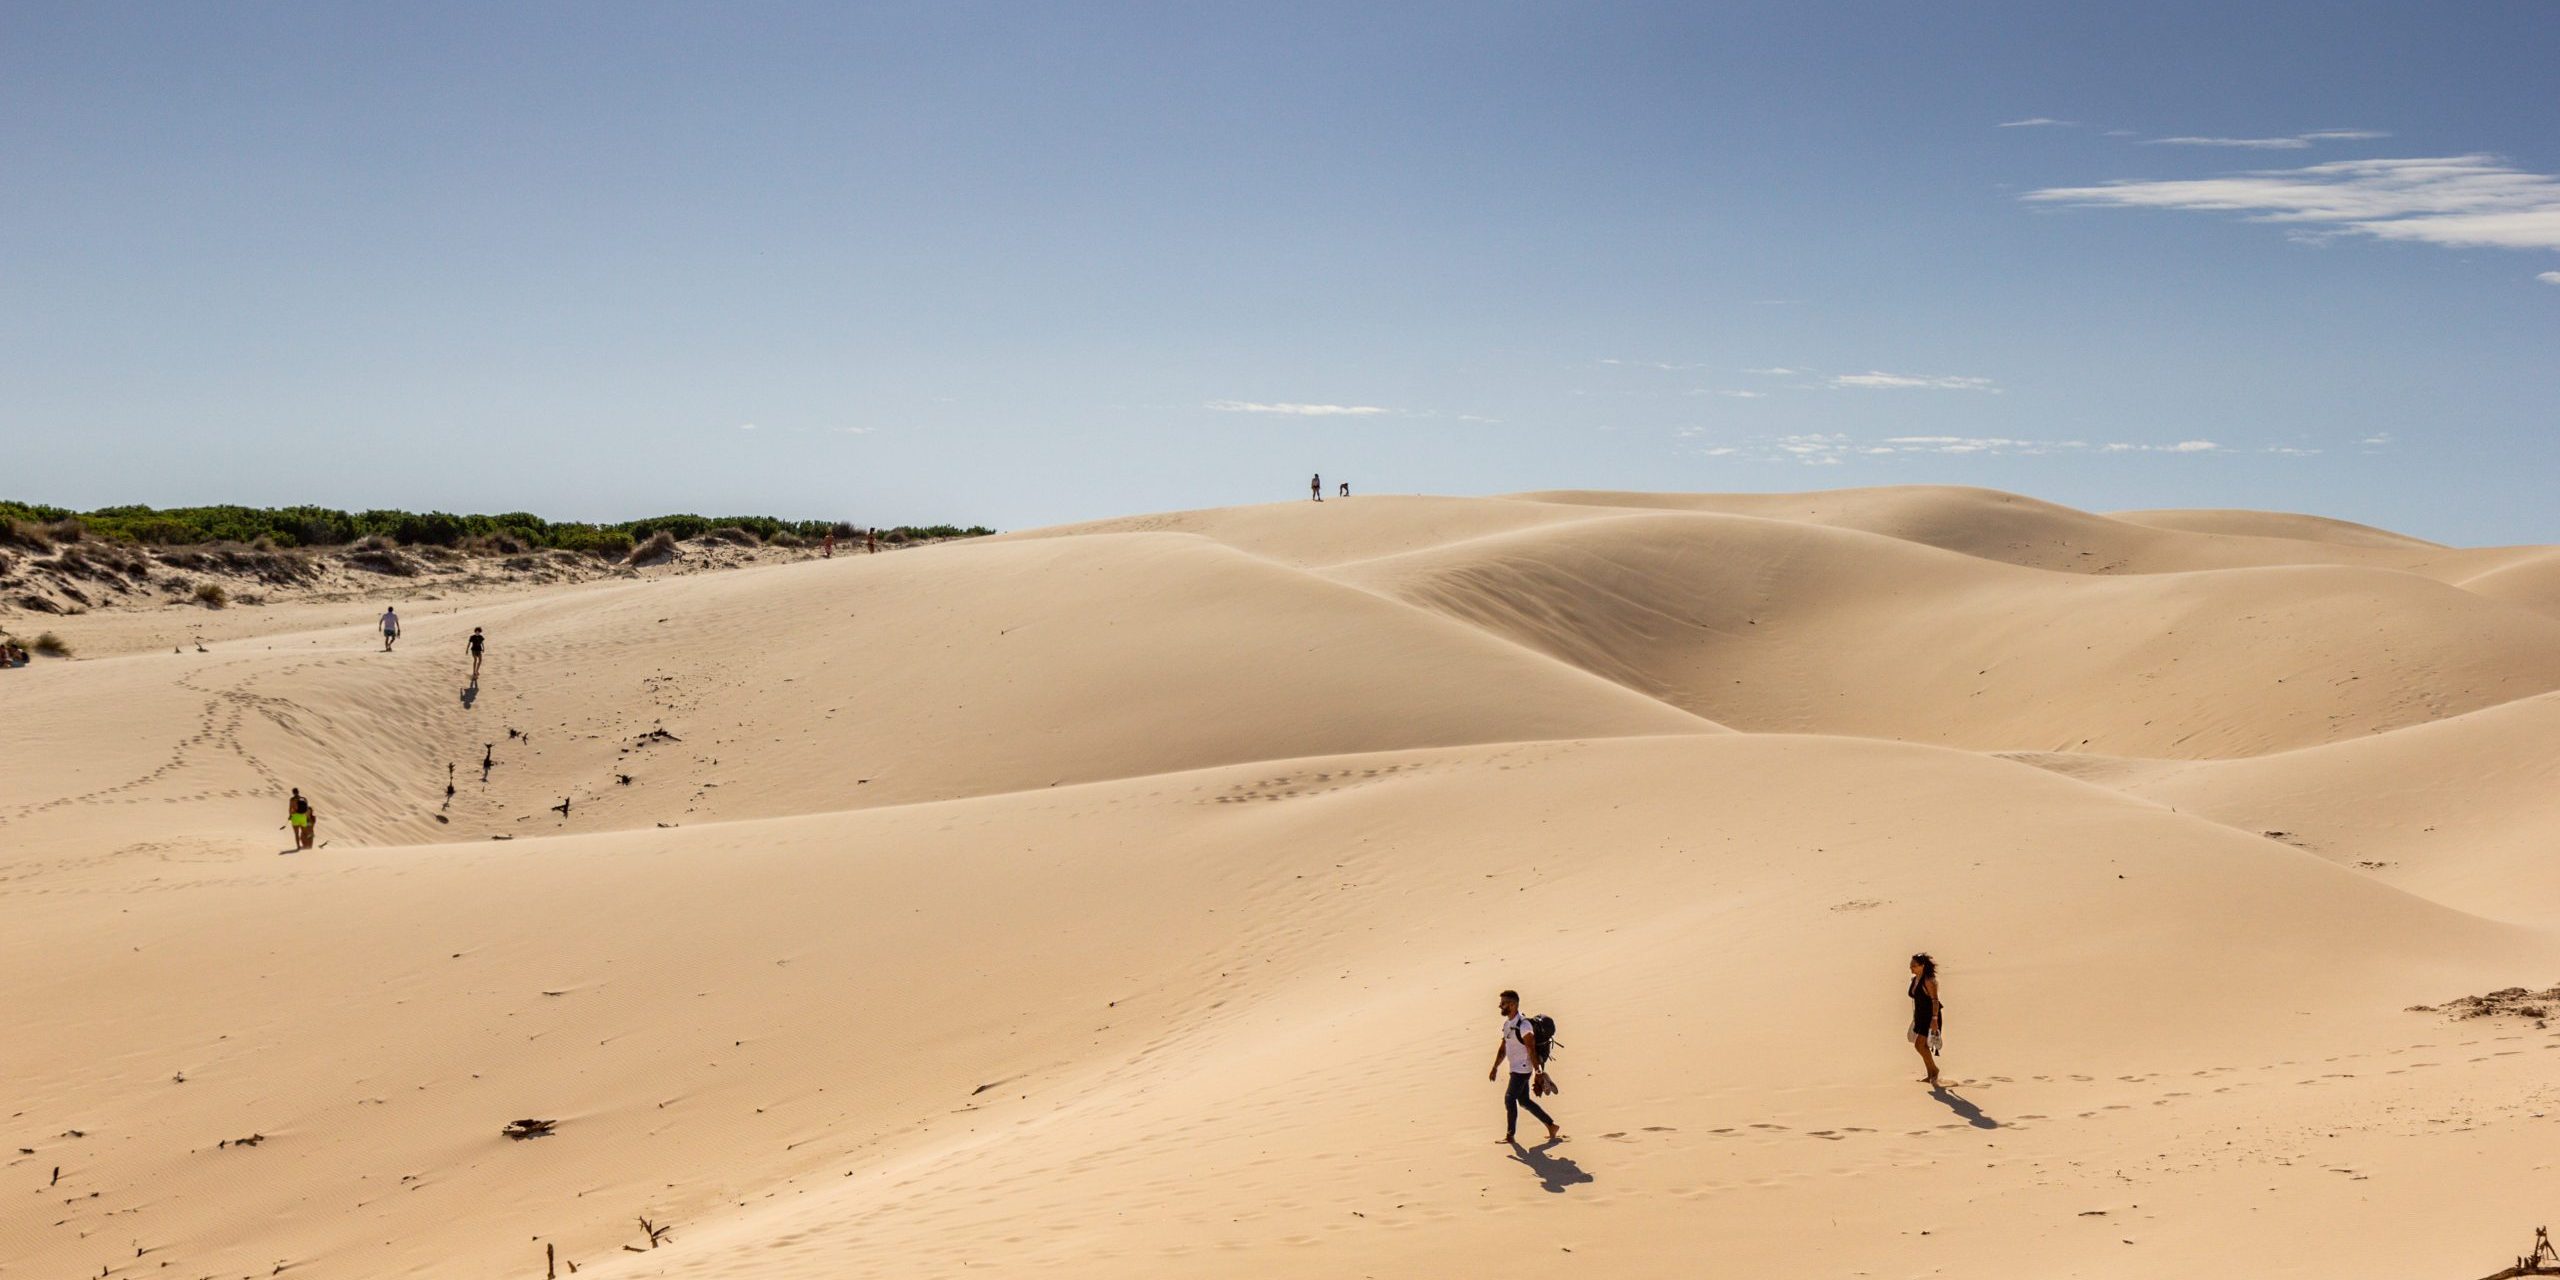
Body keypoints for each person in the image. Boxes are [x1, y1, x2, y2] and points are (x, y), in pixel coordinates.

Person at [1487, 989, 1560, 1145]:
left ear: (1513, 1005)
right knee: (1524, 1101)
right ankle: (1551, 1125)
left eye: (1503, 1003)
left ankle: (1510, 1136)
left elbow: (1531, 1050)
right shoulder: (1507, 1024)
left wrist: (1538, 1073)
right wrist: (1495, 1067)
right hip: (1515, 1067)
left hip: (1522, 1069)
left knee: (1509, 1098)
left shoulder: (1524, 1026)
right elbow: (1503, 1048)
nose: (1500, 1006)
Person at [1908, 953, 1944, 1086]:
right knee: (1921, 1046)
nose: (1911, 968)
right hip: (1920, 1016)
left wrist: (1934, 1019)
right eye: (1910, 965)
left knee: (1919, 1045)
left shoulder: (1929, 980)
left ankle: (1934, 1070)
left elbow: (1935, 1001)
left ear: (1922, 966)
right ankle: (1930, 1074)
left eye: (1914, 966)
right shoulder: (1915, 979)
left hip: (1930, 1017)